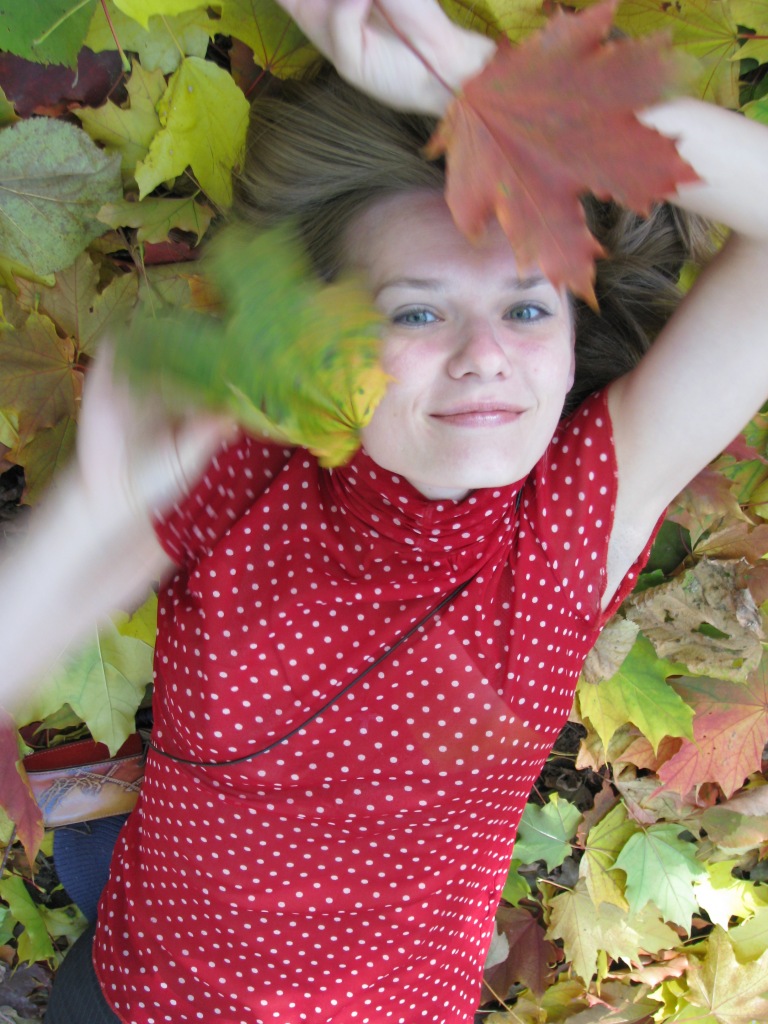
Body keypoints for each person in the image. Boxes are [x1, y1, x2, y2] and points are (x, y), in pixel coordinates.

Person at [1, 0, 766, 1020]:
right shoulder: (239, 468)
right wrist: (92, 513)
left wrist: (485, 89)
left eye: (525, 305)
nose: (484, 353)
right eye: (417, 308)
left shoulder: (572, 522)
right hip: (139, 991)